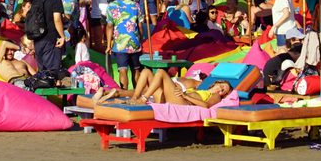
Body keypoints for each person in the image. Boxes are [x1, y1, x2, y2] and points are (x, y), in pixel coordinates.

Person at [97, 68, 233, 107]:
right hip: (177, 97)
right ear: (215, 83)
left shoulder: (215, 97)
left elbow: (205, 106)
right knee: (146, 72)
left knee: (161, 72)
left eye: (223, 91)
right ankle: (135, 98)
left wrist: (185, 95)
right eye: (221, 86)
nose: (220, 91)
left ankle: (142, 99)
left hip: (184, 102)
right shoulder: (201, 88)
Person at [105, 0, 141, 89]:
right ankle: (137, 93)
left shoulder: (111, 6)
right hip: (134, 41)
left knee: (122, 69)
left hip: (120, 43)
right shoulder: (136, 5)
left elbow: (109, 26)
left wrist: (108, 45)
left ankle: (124, 93)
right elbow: (139, 26)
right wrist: (141, 40)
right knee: (136, 69)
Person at [28, 0, 66, 76]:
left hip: (38, 39)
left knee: (42, 73)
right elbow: (57, 19)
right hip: (50, 39)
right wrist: (62, 36)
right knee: (52, 73)